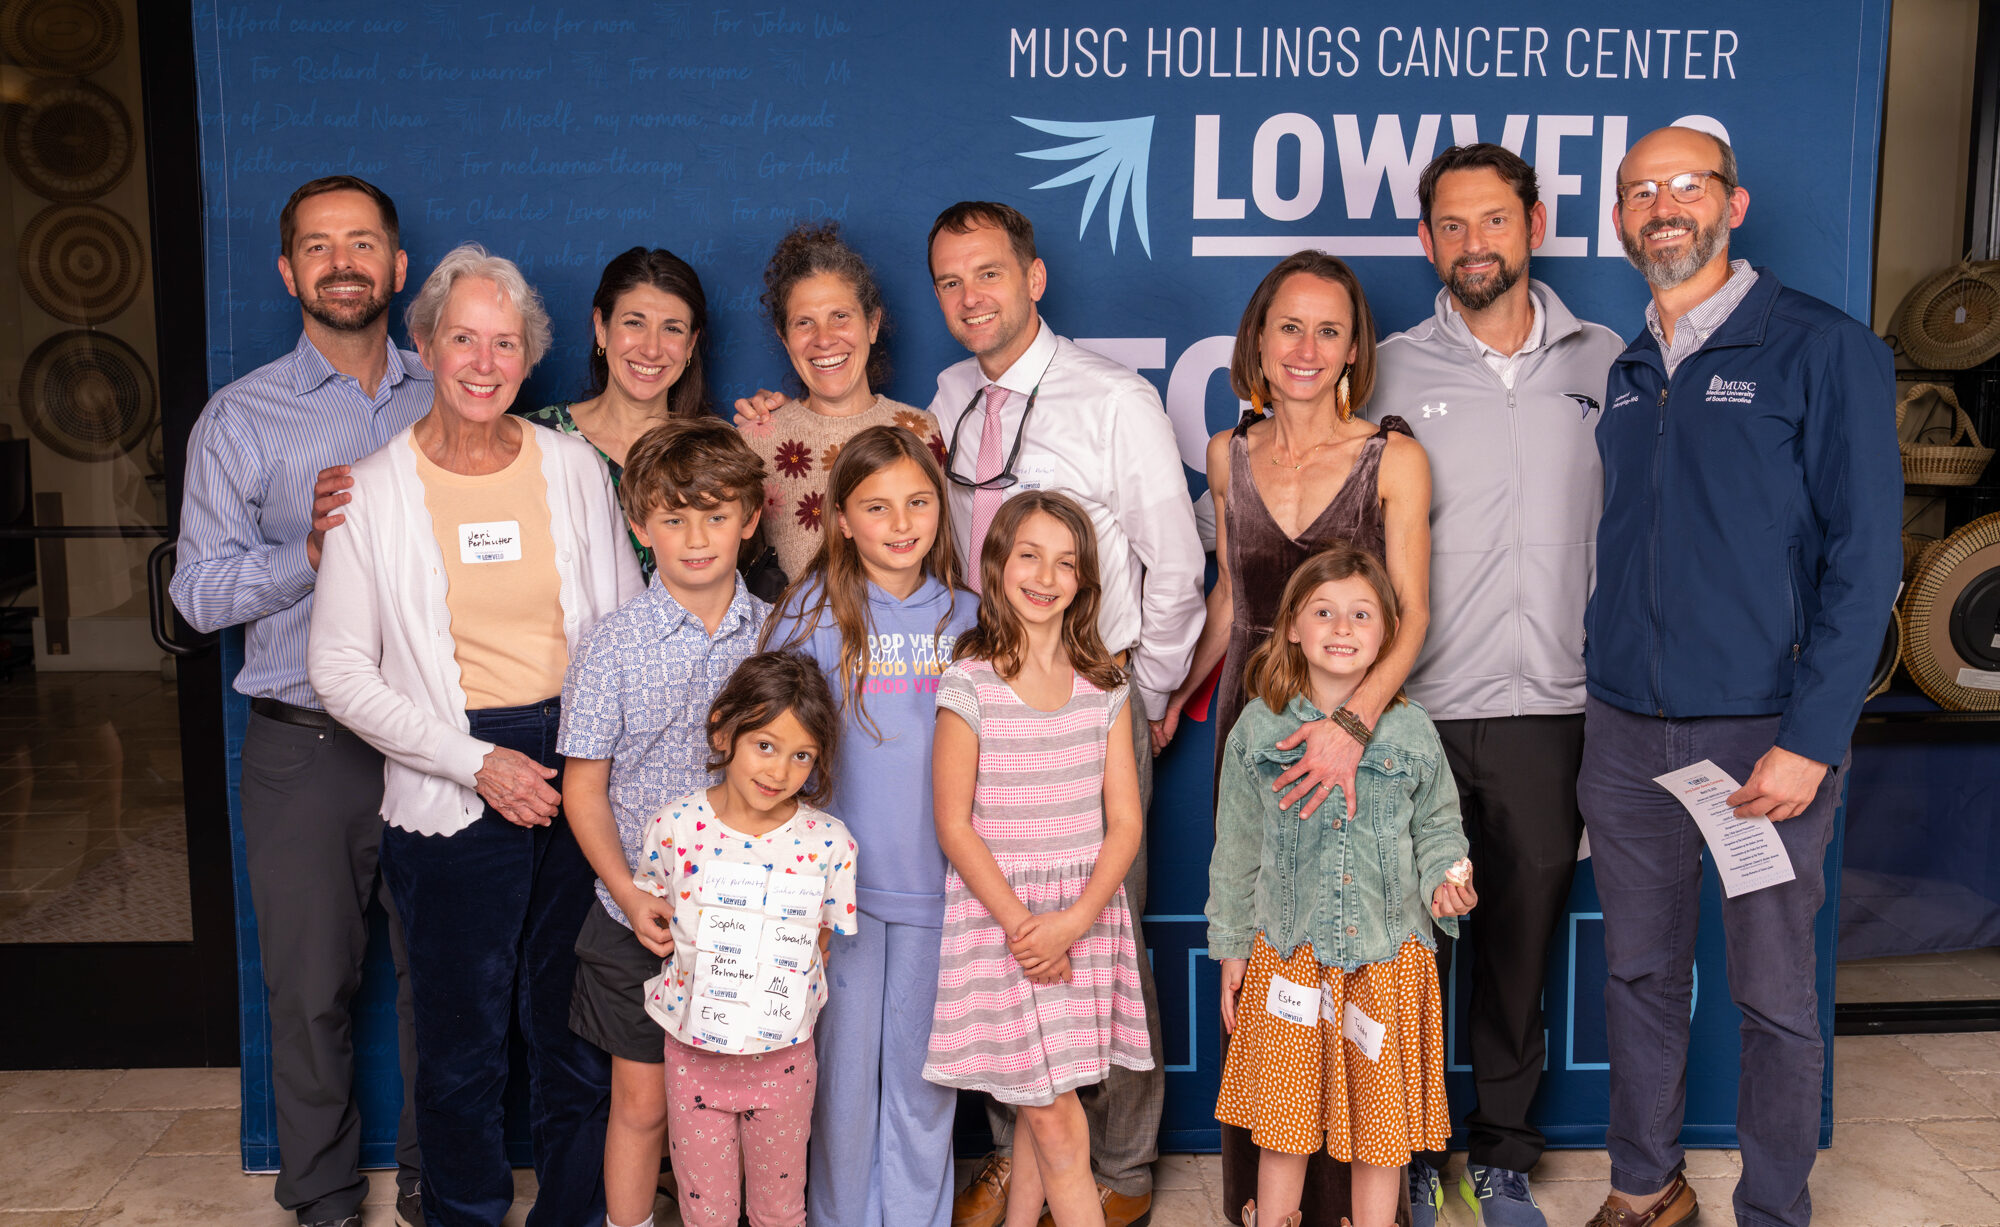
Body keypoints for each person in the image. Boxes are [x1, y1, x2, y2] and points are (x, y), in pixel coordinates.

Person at [1579, 126, 1900, 1227]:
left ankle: (1771, 1209)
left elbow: (1866, 560)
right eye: (1637, 192)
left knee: (1769, 995)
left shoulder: (1817, 346)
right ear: (1618, 219)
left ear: (1733, 202)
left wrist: (1810, 738)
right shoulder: (1626, 369)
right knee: (1636, 977)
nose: (1660, 206)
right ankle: (1644, 1183)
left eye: (1683, 186)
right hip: (1624, 736)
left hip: (1760, 739)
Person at [307, 243, 642, 1227]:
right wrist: (477, 763)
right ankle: (461, 1213)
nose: (485, 362)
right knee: (461, 1052)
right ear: (425, 345)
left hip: (579, 766)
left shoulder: (576, 468)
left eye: (505, 343)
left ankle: (574, 1214)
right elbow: (339, 672)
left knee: (574, 1038)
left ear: (529, 356)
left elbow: (620, 633)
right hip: (453, 774)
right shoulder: (369, 492)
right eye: (464, 339)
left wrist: (588, 770)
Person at [926, 200, 1204, 1227]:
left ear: (1033, 279)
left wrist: (1146, 695)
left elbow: (1174, 569)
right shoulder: (951, 395)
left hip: (1094, 689)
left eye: (988, 274)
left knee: (1103, 937)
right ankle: (1017, 1153)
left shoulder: (1113, 399)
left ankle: (1121, 1164)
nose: (970, 298)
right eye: (950, 282)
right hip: (994, 691)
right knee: (1004, 943)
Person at [1366, 143, 1626, 1227]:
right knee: (1407, 956)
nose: (1475, 245)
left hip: (1550, 711)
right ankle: (1411, 1148)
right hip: (1414, 710)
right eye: (1452, 227)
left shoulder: (1607, 359)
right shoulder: (1379, 369)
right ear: (1425, 242)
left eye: (1494, 221)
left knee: (1518, 948)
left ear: (1533, 223)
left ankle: (1502, 1152)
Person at [169, 174, 427, 1227]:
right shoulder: (239, 419)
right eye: (318, 246)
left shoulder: (453, 393)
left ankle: (433, 1187)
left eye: (362, 241)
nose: (342, 261)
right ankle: (321, 1200)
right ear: (288, 272)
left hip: (432, 744)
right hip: (302, 745)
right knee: (310, 991)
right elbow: (194, 593)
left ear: (397, 266)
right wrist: (310, 552)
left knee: (442, 988)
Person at [1154, 250, 1431, 1225]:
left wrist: (1350, 730)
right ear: (1257, 342)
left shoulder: (1390, 458)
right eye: (1288, 328)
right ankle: (1265, 1206)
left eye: (1327, 329)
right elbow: (1232, 604)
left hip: (1354, 726)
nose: (1305, 349)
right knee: (1270, 960)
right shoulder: (1228, 454)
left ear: (1353, 346)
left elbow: (1410, 621)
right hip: (1255, 727)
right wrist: (1166, 697)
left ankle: (1356, 1208)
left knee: (1351, 953)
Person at [1207, 544, 1475, 1227]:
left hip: (1387, 959)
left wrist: (1450, 878)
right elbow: (1235, 849)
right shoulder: (1258, 728)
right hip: (1289, 954)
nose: (1342, 626)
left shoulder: (1411, 729)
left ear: (1387, 633)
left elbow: (1441, 825)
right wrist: (1233, 949)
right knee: (1283, 1124)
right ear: (1292, 624)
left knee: (1382, 1135)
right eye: (1324, 611)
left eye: (1361, 614)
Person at [557, 417, 772, 1227]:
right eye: (673, 517)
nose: (696, 536)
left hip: (754, 918)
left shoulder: (781, 632)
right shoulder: (610, 646)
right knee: (643, 1105)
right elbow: (584, 789)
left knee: (747, 1105)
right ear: (640, 524)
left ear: (752, 518)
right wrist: (625, 887)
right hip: (638, 918)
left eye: (716, 514)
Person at [762, 425, 977, 1227]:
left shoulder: (973, 618)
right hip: (836, 900)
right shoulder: (810, 613)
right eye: (877, 505)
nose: (901, 521)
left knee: (924, 1089)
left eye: (918, 501)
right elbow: (769, 760)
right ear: (842, 518)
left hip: (941, 891)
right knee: (843, 1089)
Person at [926, 491, 1154, 1227]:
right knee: (1054, 1117)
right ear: (997, 564)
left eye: (1066, 563)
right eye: (1030, 554)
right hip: (1004, 926)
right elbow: (955, 825)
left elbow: (1124, 822)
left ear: (1085, 582)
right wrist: (1029, 928)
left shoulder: (1106, 687)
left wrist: (1072, 922)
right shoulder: (970, 683)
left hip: (1080, 922)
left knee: (1041, 1106)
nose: (1046, 576)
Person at [632, 650, 859, 1227]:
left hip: (783, 1065)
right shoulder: (674, 827)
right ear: (725, 729)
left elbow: (825, 939)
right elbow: (653, 901)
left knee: (780, 1212)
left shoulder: (831, 844)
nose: (779, 771)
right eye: (765, 745)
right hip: (692, 1062)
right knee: (704, 1211)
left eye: (801, 755)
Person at [736, 222, 947, 580]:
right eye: (804, 323)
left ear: (873, 323)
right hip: (795, 635)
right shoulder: (758, 440)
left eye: (840, 316)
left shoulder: (922, 431)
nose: (824, 339)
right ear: (784, 338)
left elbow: (942, 562)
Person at [518, 246, 711, 581]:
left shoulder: (712, 454)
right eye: (634, 323)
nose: (651, 349)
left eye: (673, 329)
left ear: (691, 344)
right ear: (601, 327)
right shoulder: (533, 439)